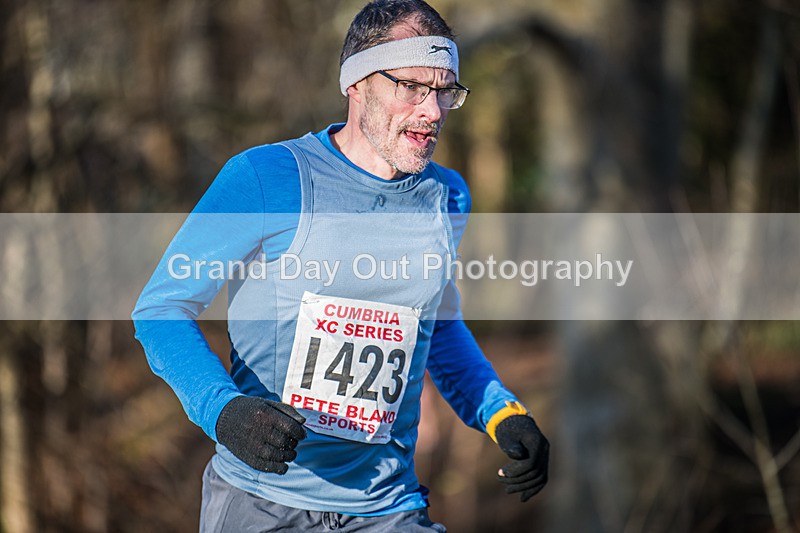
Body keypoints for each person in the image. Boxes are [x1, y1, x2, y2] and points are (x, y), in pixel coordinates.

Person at [132, 1, 549, 531]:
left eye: (446, 91)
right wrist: (222, 410)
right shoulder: (267, 178)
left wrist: (500, 410)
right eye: (412, 86)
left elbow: (436, 329)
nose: (433, 110)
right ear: (357, 82)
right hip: (262, 501)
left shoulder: (447, 197)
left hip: (386, 505)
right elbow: (162, 308)